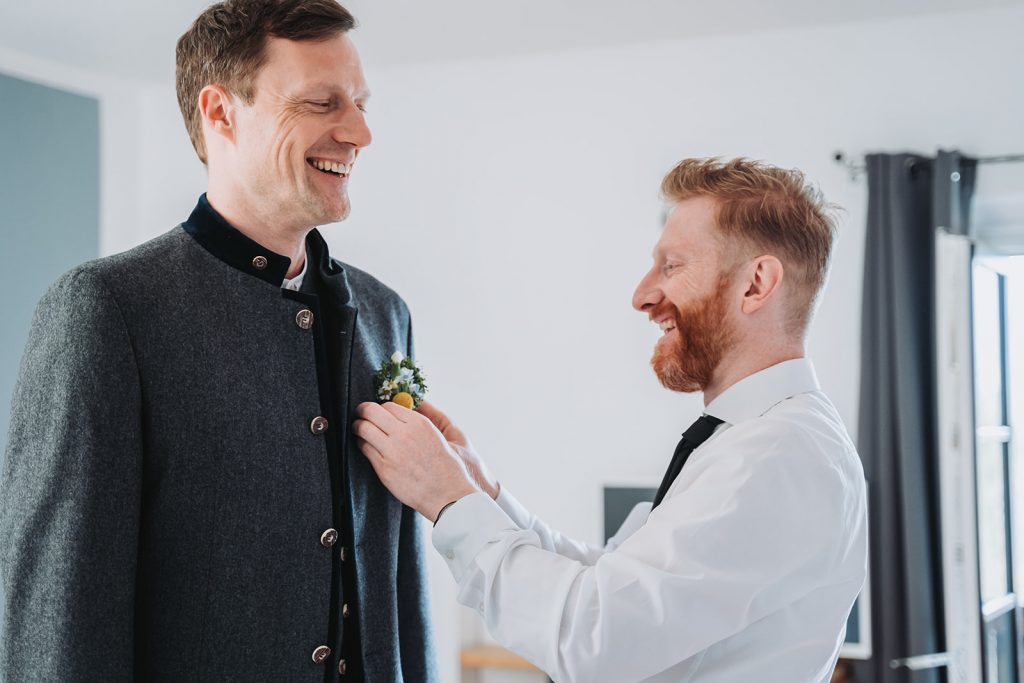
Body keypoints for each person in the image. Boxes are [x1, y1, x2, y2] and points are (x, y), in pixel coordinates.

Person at [0, 1, 437, 680]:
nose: (359, 132)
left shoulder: (386, 312)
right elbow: (58, 620)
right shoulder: (108, 309)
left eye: (359, 102)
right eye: (323, 102)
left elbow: (401, 586)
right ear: (221, 112)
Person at [354, 158, 868, 682]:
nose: (642, 295)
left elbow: (592, 637)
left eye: (672, 266)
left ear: (756, 284)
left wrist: (449, 502)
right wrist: (480, 492)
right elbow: (609, 581)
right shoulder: (753, 442)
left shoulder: (776, 457)